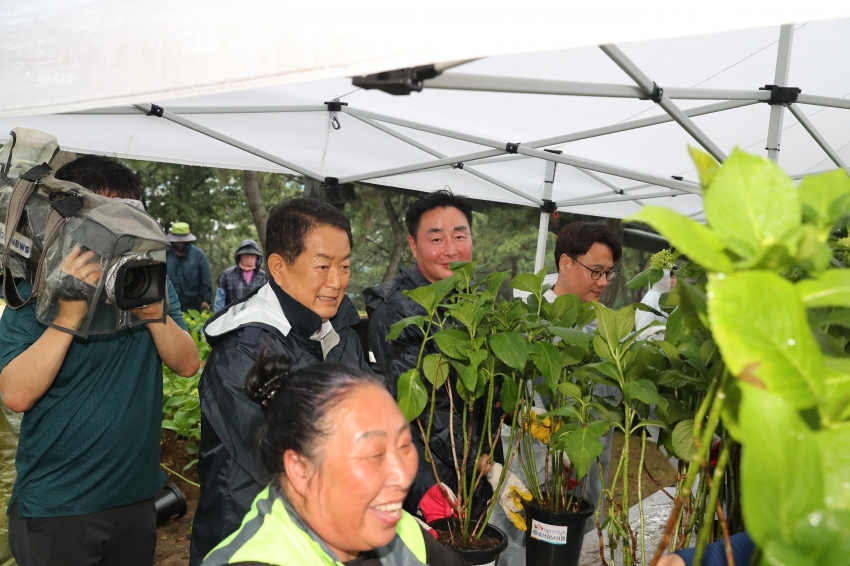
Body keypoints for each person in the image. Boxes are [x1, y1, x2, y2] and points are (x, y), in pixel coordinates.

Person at [0, 155, 201, 566]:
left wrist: (153, 316)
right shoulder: (34, 290)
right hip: (59, 507)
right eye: (102, 215)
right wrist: (67, 319)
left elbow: (187, 363)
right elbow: (16, 394)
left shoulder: (146, 281)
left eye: (128, 216)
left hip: (135, 499)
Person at [190, 198, 372, 565]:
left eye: (346, 266)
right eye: (322, 266)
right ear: (278, 266)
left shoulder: (340, 330)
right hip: (251, 541)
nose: (336, 282)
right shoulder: (248, 348)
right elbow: (281, 460)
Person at [201, 355, 466, 566]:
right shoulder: (259, 558)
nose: (402, 475)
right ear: (301, 470)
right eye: (374, 455)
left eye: (404, 445)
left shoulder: (400, 530)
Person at [363, 190, 525, 529]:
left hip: (470, 470)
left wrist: (520, 409)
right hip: (426, 478)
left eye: (459, 235)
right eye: (436, 238)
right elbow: (422, 411)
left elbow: (487, 383)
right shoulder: (399, 311)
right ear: (413, 245)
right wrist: (486, 465)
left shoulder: (474, 301)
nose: (450, 249)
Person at [544, 220, 622, 533]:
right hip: (538, 477)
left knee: (581, 542)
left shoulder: (608, 326)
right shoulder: (530, 322)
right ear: (566, 262)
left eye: (609, 273)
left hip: (590, 474)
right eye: (596, 271)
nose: (603, 282)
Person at [166, 221, 213, 312]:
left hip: (191, 306)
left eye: (181, 240)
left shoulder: (199, 256)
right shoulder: (165, 255)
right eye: (176, 240)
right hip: (168, 306)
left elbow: (206, 281)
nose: (178, 243)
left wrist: (205, 300)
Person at [214, 239, 269, 311]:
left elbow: (267, 302)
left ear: (257, 258)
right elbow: (219, 302)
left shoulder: (263, 277)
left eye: (252, 255)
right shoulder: (227, 275)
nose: (249, 258)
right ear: (239, 256)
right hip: (232, 318)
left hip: (256, 318)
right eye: (246, 255)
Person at [635, 268, 677, 339]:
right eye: (672, 278)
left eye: (676, 278)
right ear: (661, 279)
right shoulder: (651, 299)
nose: (675, 281)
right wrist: (669, 330)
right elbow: (643, 330)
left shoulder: (664, 298)